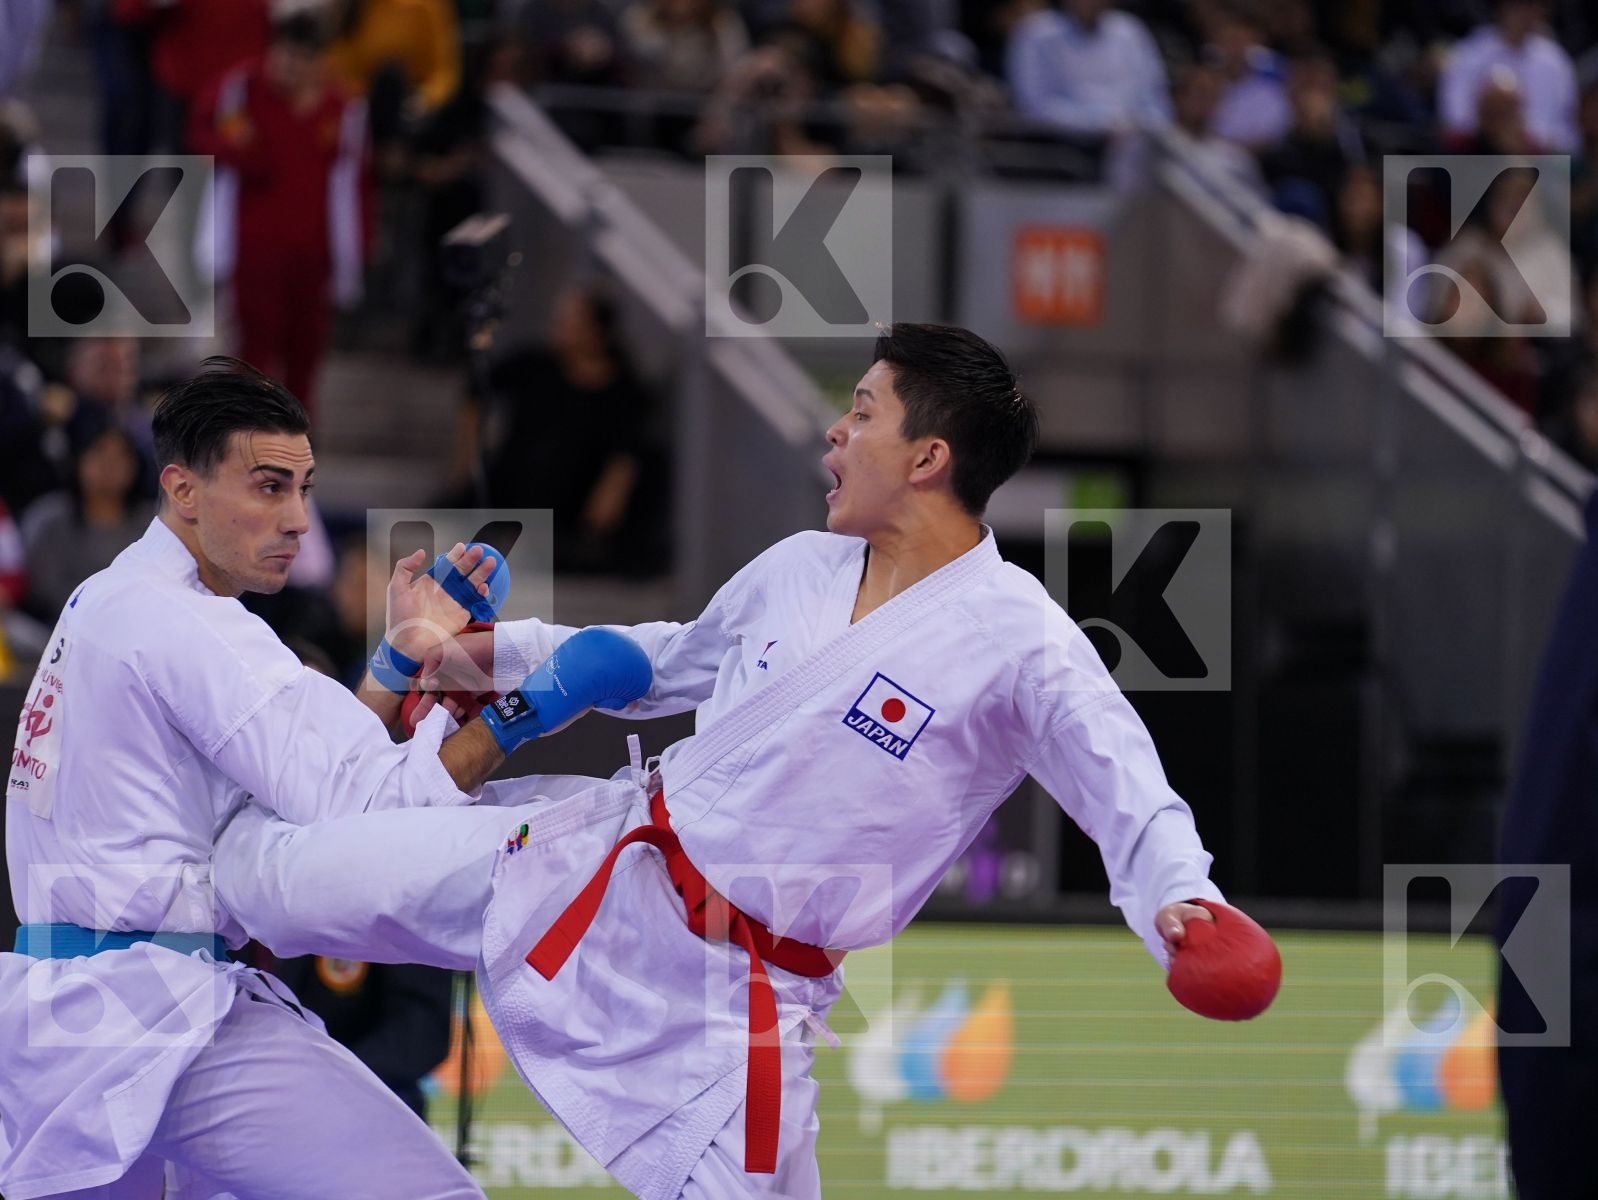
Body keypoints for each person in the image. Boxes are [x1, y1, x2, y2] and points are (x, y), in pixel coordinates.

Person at [213, 323, 1255, 1198]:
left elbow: (1130, 788)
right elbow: (674, 659)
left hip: (731, 1000)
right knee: (294, 872)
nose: (833, 432)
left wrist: (1180, 897)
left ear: (927, 458)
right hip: (602, 865)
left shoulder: (1018, 641)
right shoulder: (802, 566)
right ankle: (134, 945)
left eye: (860, 410)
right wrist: (497, 652)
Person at [0, 358, 520, 1199]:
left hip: (77, 1015)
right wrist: (527, 708)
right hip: (158, 1014)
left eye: (306, 489)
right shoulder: (184, 621)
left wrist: (396, 662)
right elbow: (362, 802)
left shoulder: (110, 599)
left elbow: (286, 766)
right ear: (184, 489)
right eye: (270, 487)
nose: (298, 521)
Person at [190, 3, 373, 423]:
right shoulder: (240, 91)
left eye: (303, 59)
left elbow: (358, 184)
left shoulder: (343, 110)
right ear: (272, 51)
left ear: (320, 63)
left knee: (304, 364)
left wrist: (356, 252)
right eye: (285, 56)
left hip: (314, 255)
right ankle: (242, 452)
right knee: (253, 358)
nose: (291, 68)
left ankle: (298, 465)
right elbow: (201, 134)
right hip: (255, 249)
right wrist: (244, 153)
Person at [1005, 0, 1171, 137]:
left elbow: (1155, 100)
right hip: (1058, 144)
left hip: (1134, 140)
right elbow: (1034, 106)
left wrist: (1142, 126)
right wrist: (1103, 124)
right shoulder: (1036, 32)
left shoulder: (1129, 31)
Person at [1439, 0, 1578, 153]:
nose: (1526, 14)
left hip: (1540, 157)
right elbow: (1456, 120)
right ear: (1502, 7)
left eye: (1534, 7)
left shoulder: (1555, 61)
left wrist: (1528, 140)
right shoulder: (1469, 53)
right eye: (1518, 5)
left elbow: (1567, 131)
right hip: (1481, 151)